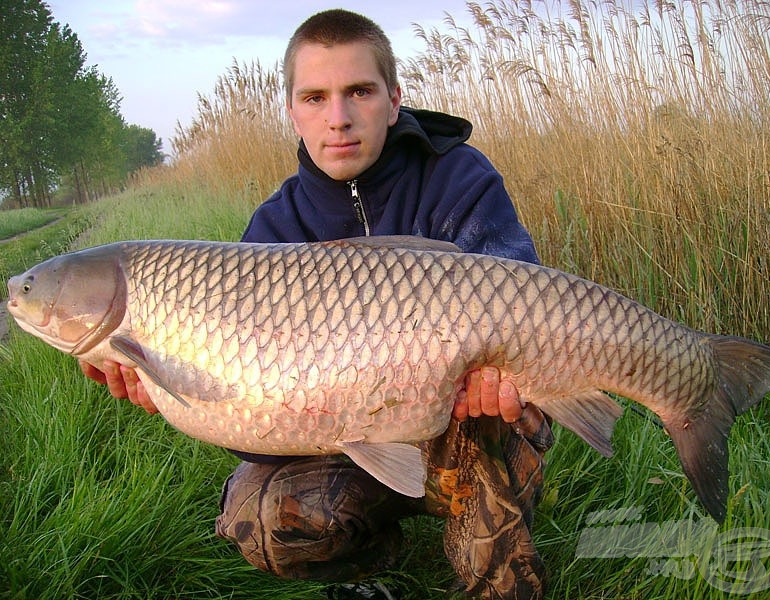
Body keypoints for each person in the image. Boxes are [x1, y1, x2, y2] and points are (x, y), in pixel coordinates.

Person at [80, 9, 553, 600]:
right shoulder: (275, 228)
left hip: (460, 417)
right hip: (354, 437)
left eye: (359, 91)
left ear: (394, 97)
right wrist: (173, 389)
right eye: (315, 97)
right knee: (259, 517)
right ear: (291, 110)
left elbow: (534, 312)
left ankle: (505, 586)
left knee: (503, 412)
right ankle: (375, 565)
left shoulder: (459, 177)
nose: (338, 119)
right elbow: (254, 428)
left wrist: (497, 381)